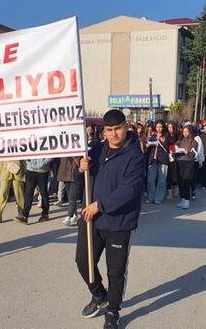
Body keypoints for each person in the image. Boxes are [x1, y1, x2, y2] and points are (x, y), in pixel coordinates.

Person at [76, 109, 145, 329]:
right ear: (103, 131)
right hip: (92, 220)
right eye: (109, 130)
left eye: (118, 129)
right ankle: (99, 295)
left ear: (126, 127)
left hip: (119, 223)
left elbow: (129, 190)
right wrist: (82, 168)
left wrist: (100, 205)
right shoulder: (95, 151)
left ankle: (113, 312)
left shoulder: (135, 156)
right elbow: (84, 182)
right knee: (83, 261)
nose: (114, 134)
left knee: (115, 272)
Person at [14, 158, 53, 224]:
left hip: (42, 171)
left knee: (43, 193)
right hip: (30, 170)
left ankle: (45, 214)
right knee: (28, 193)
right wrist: (26, 159)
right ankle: (24, 216)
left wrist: (43, 162)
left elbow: (52, 153)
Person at [174, 125, 199, 209]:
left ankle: (187, 200)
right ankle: (183, 199)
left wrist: (187, 152)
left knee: (186, 180)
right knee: (180, 180)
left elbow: (194, 153)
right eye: (184, 132)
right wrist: (176, 149)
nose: (185, 133)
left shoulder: (194, 142)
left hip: (189, 162)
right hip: (180, 161)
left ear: (190, 132)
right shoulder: (180, 140)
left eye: (187, 132)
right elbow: (174, 148)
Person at [146, 121, 170, 204]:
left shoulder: (167, 136)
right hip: (153, 160)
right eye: (157, 127)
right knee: (150, 179)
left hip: (163, 159)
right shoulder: (153, 136)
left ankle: (159, 198)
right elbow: (147, 147)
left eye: (160, 127)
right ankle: (150, 197)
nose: (159, 129)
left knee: (162, 180)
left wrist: (163, 141)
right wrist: (148, 145)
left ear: (163, 127)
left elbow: (171, 147)